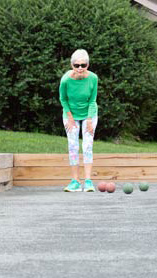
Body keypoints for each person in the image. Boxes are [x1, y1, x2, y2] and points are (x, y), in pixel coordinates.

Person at [59, 49, 98, 192]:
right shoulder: (66, 79)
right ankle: (75, 181)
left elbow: (93, 100)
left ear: (88, 65)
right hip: (71, 115)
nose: (80, 68)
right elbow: (63, 99)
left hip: (89, 114)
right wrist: (70, 118)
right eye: (77, 65)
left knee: (87, 146)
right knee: (73, 146)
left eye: (83, 65)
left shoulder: (93, 78)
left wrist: (89, 119)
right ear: (72, 65)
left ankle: (88, 181)